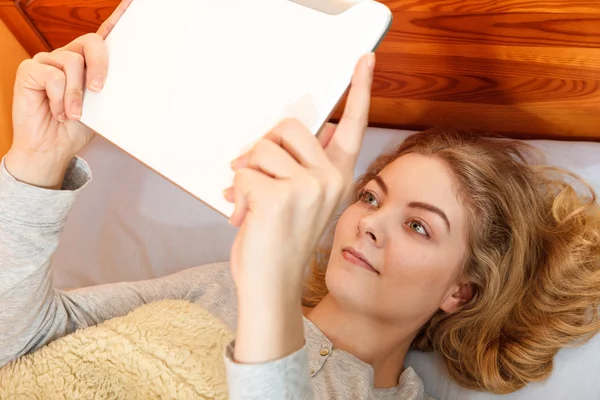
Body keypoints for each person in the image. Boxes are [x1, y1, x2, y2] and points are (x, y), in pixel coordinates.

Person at [1, 1, 599, 398]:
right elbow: (20, 343)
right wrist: (37, 161)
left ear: (459, 291)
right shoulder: (221, 287)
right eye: (370, 196)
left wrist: (270, 281)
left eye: (419, 226)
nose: (367, 224)